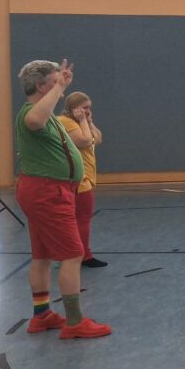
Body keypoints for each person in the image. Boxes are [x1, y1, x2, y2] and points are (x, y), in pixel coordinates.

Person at [14, 60, 111, 339]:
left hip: (48, 191)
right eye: (55, 81)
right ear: (41, 85)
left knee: (42, 255)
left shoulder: (48, 114)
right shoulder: (31, 113)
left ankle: (42, 315)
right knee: (72, 255)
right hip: (48, 193)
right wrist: (60, 88)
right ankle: (75, 321)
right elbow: (35, 120)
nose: (62, 86)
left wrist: (58, 87)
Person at [57, 91, 105, 268]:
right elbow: (84, 141)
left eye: (89, 108)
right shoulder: (66, 122)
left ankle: (73, 254)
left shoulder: (81, 122)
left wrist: (89, 121)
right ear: (74, 108)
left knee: (80, 217)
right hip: (78, 179)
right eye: (84, 108)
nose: (88, 111)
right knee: (82, 218)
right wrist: (84, 121)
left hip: (86, 178)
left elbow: (97, 138)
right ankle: (84, 255)